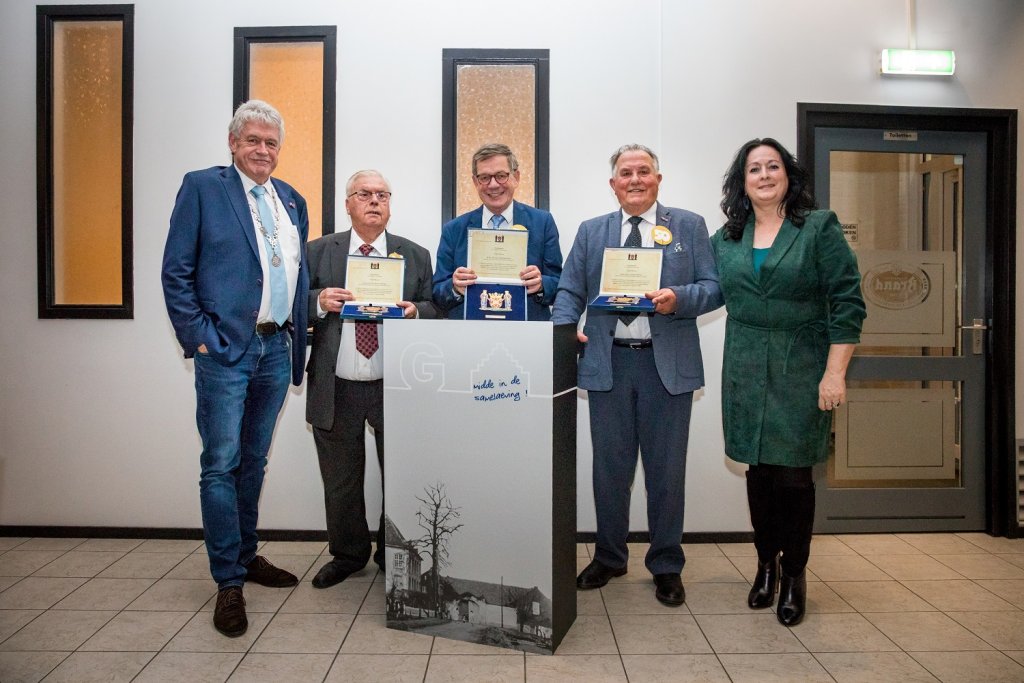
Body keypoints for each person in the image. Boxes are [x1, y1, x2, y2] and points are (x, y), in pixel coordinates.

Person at [162, 100, 309, 637]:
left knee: (253, 462)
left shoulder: (291, 199)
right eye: (253, 140)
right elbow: (175, 271)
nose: (262, 150)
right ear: (233, 143)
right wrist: (199, 337)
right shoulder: (203, 188)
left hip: (276, 350)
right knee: (220, 464)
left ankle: (246, 554)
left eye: (271, 142)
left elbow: (298, 275)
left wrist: (298, 336)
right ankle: (228, 581)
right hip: (226, 351)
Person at [552, 144, 722, 606]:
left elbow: (713, 287)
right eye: (625, 173)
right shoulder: (592, 232)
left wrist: (676, 297)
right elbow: (569, 289)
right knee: (610, 470)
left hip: (665, 365)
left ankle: (666, 563)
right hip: (609, 362)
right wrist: (565, 335)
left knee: (666, 473)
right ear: (613, 184)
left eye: (643, 171)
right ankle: (609, 556)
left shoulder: (688, 226)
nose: (635, 179)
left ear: (658, 179)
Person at [712, 138, 865, 626]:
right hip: (744, 366)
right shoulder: (725, 238)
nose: (763, 175)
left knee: (794, 478)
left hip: (802, 367)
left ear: (787, 175)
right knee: (758, 475)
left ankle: (795, 573)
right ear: (742, 181)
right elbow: (704, 290)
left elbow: (848, 302)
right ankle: (765, 565)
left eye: (772, 166)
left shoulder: (818, 228)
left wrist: (835, 372)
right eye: (753, 168)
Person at [305, 170, 439, 589]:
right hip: (338, 383)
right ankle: (348, 554)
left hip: (394, 384)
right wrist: (318, 301)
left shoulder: (414, 254)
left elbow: (436, 306)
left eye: (382, 194)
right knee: (341, 479)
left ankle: (391, 552)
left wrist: (417, 311)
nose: (374, 201)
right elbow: (293, 305)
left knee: (398, 475)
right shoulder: (318, 252)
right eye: (364, 194)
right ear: (348, 204)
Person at [433, 143, 562, 319]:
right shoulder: (453, 229)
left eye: (501, 176)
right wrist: (454, 287)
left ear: (516, 177)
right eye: (484, 177)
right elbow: (437, 292)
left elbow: (560, 285)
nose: (493, 185)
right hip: (469, 335)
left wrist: (541, 285)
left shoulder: (543, 223)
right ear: (475, 182)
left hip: (526, 334)